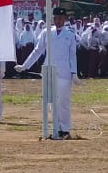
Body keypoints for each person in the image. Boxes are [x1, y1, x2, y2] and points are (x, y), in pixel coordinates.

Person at [18, 7, 79, 139]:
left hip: (64, 71)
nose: (58, 21)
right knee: (51, 102)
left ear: (65, 19)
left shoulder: (70, 34)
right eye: (56, 18)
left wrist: (74, 72)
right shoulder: (46, 33)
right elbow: (37, 51)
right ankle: (56, 128)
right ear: (53, 19)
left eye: (61, 19)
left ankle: (65, 129)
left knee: (63, 101)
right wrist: (25, 65)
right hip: (49, 70)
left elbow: (72, 55)